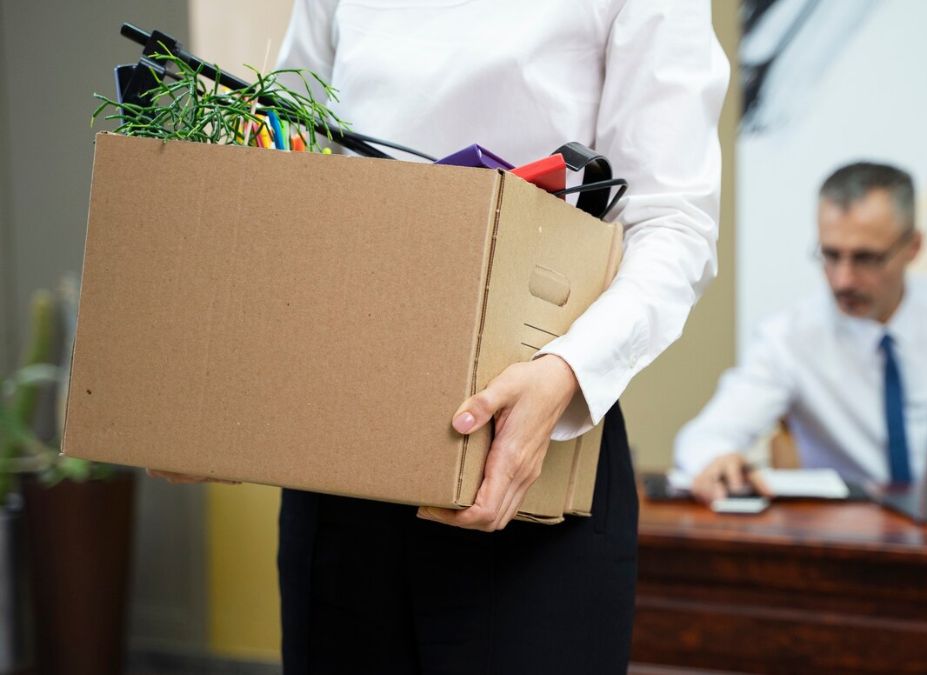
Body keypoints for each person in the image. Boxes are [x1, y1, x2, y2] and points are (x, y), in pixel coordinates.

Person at [149, 2, 727, 673]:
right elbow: (291, 152)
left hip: (529, 453)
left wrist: (565, 370)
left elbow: (673, 223)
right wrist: (220, 390)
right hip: (338, 463)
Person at [675, 162, 927, 504]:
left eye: (866, 258)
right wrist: (716, 460)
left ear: (913, 246)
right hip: (852, 538)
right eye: (830, 255)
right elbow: (706, 436)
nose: (843, 280)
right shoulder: (788, 339)